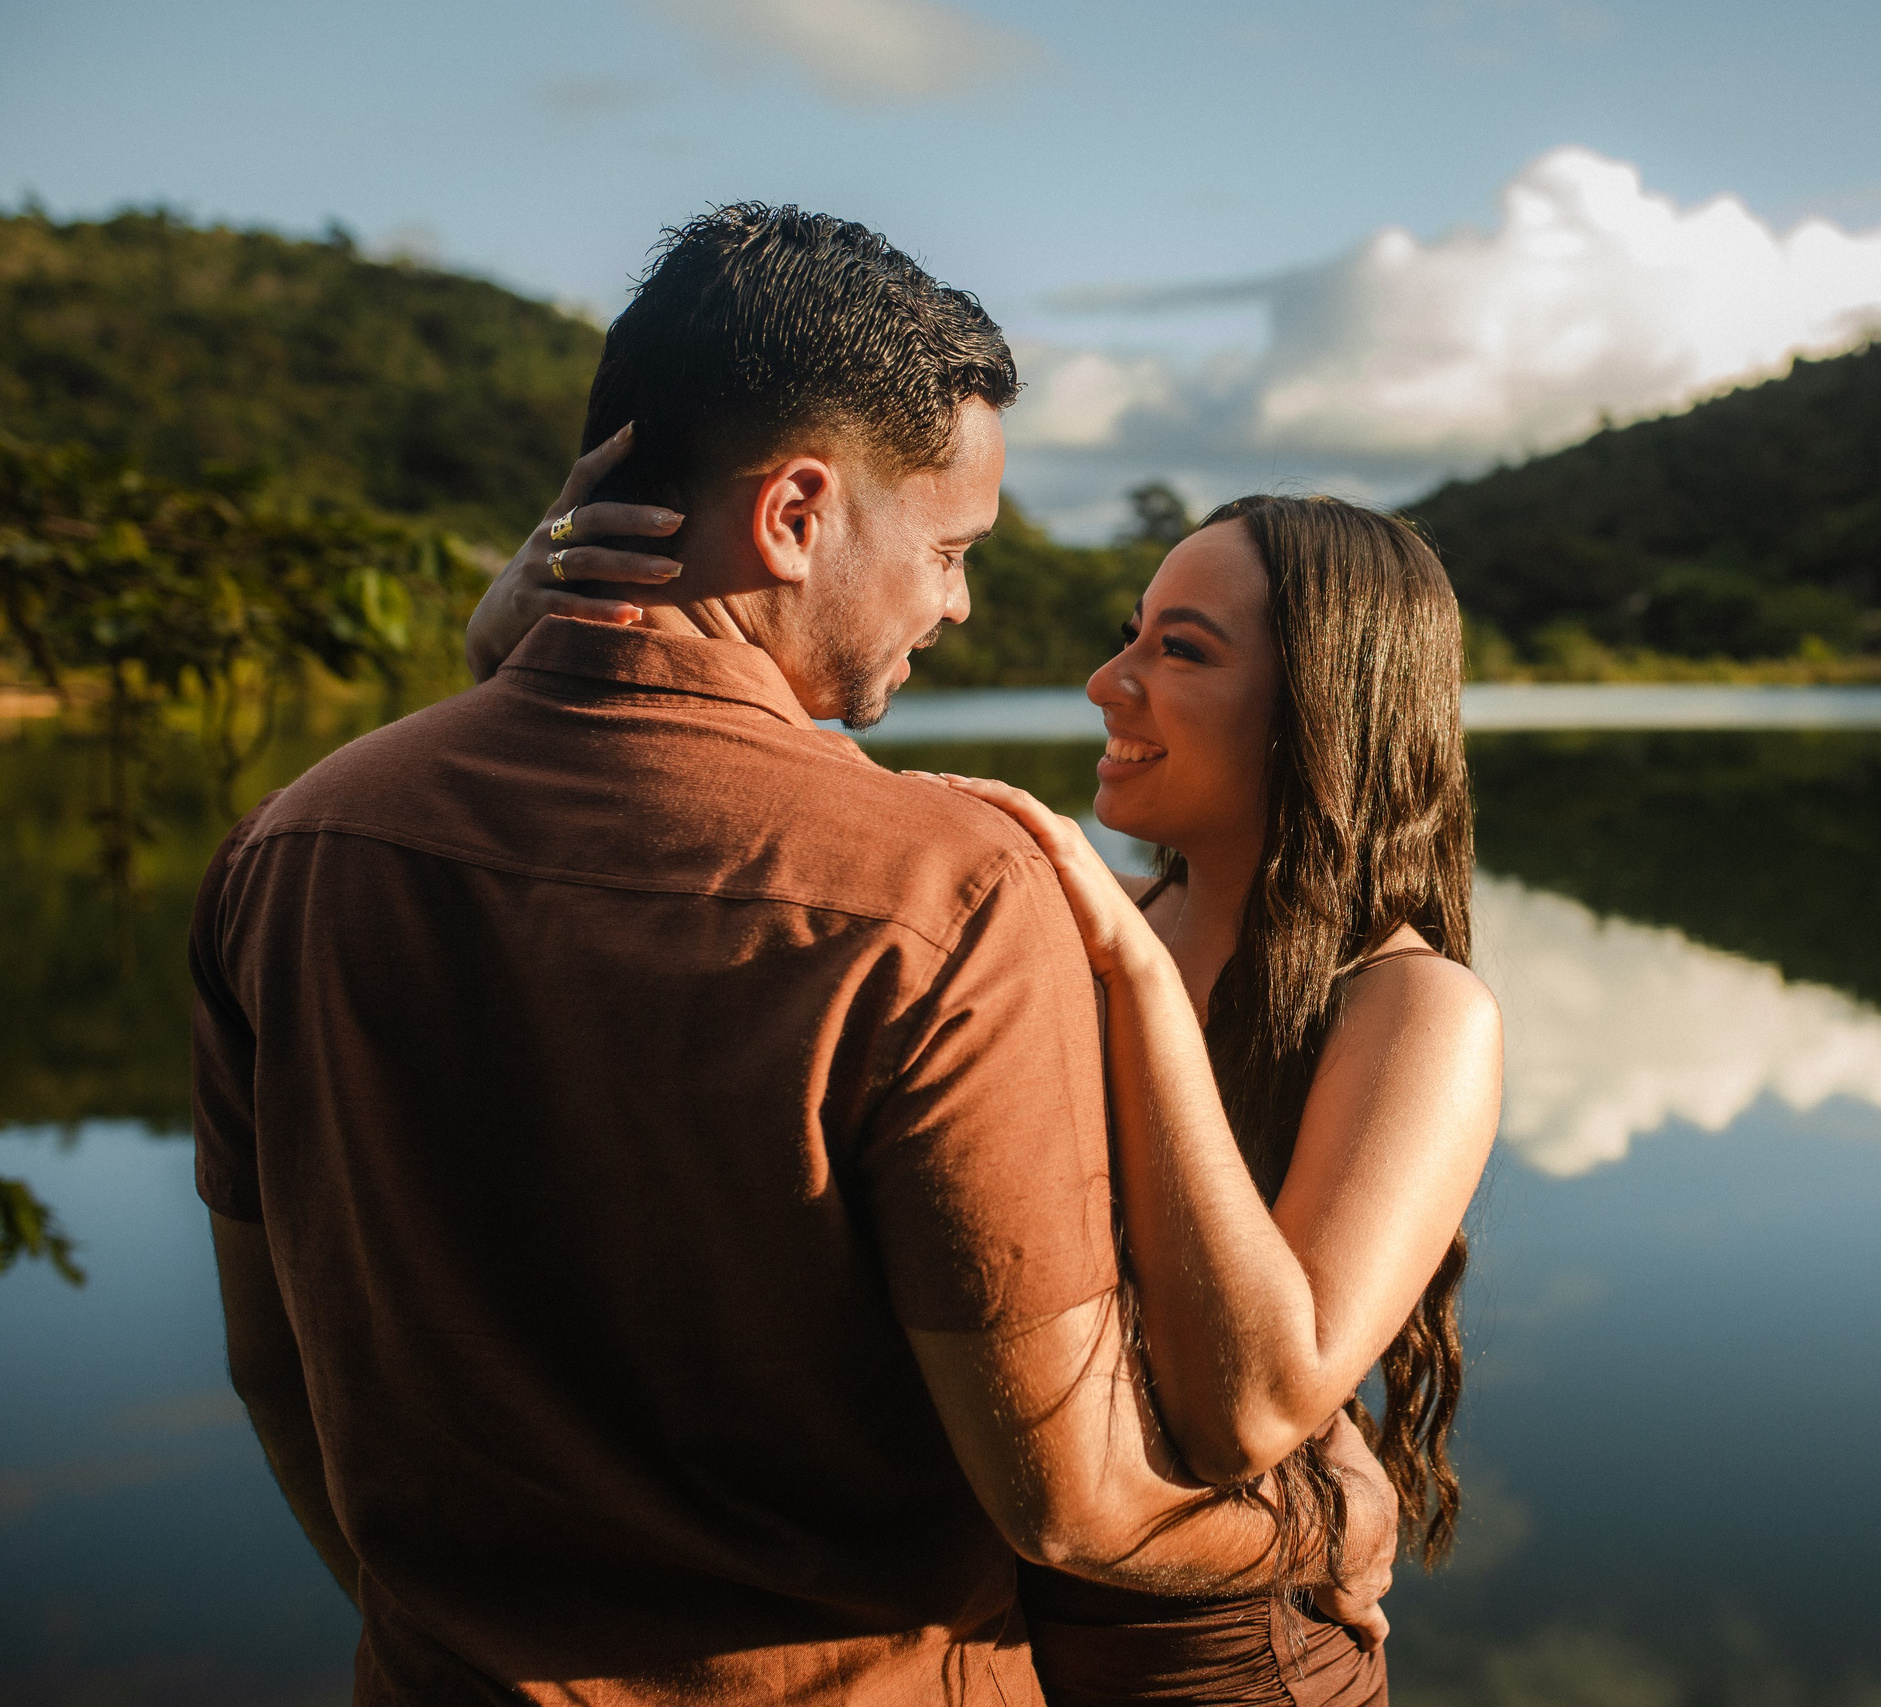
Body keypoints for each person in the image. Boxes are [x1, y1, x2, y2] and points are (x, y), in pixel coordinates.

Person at [195, 203, 1394, 1707]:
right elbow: (1071, 1500)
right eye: (951, 548)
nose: (957, 600)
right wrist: (1322, 1519)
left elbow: (274, 1369)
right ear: (796, 513)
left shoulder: (293, 847)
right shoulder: (944, 894)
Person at [475, 487, 1505, 1705]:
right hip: (982, 1642)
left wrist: (1131, 972)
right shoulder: (1047, 917)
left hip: (1219, 1666)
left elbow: (1252, 1407)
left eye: (1179, 650)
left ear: (1326, 704)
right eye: (1132, 633)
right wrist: (509, 645)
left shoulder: (1414, 1012)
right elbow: (722, 795)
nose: (1107, 681)